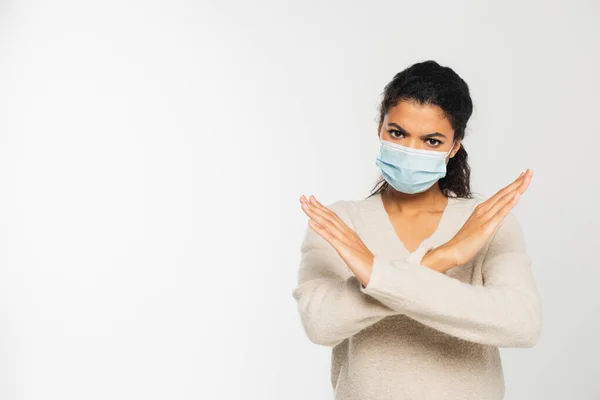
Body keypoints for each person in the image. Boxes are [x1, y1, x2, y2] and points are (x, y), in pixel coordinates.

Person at [291, 60, 541, 400]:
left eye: (432, 141)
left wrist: (375, 275)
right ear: (380, 128)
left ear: (454, 147)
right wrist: (439, 259)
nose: (411, 151)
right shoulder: (338, 224)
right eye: (398, 133)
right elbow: (321, 324)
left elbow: (521, 323)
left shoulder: (485, 224)